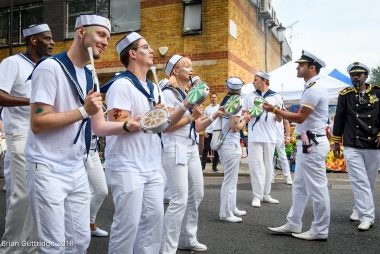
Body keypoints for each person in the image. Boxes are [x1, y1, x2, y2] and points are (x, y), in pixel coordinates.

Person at [25, 15, 113, 253]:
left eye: (108, 37)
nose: (106, 42)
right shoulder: (50, 68)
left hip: (77, 166)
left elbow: (98, 126)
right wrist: (84, 110)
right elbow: (38, 122)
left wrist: (129, 124)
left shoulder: (89, 75)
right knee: (53, 246)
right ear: (81, 32)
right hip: (47, 167)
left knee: (79, 241)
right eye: (101, 35)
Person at [100, 33, 191, 254]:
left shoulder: (154, 88)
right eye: (145, 47)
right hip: (127, 165)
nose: (151, 51)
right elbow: (120, 122)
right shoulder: (121, 85)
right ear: (132, 54)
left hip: (152, 164)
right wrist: (146, 119)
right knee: (127, 225)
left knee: (153, 222)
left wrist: (187, 103)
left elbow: (166, 125)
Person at [160, 54, 224, 253]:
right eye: (186, 66)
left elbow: (196, 126)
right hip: (174, 147)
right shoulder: (168, 92)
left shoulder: (189, 92)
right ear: (175, 71)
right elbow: (166, 126)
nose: (191, 70)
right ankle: (167, 248)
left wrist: (214, 115)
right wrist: (190, 116)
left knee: (197, 193)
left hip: (190, 147)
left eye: (191, 66)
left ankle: (188, 238)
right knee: (179, 199)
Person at [0, 23, 54, 253]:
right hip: (19, 135)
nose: (52, 43)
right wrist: (32, 101)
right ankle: (10, 249)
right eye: (47, 38)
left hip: (41, 136)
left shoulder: (46, 66)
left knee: (36, 196)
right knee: (21, 197)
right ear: (33, 40)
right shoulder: (12, 63)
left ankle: (30, 249)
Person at [265, 50, 330, 241]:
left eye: (301, 65)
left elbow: (301, 116)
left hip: (313, 142)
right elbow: (303, 118)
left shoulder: (314, 89)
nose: (297, 67)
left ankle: (320, 230)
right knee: (300, 186)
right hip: (308, 141)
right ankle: (294, 222)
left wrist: (275, 110)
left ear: (312, 68)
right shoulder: (310, 87)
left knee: (317, 188)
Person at [331, 62, 380, 231]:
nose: (355, 77)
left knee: (369, 181)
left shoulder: (377, 92)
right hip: (352, 143)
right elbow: (340, 117)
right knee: (359, 180)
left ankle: (358, 208)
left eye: (359, 74)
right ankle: (367, 216)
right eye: (353, 75)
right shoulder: (345, 95)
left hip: (373, 142)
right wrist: (336, 140)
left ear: (366, 76)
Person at [242, 71, 282, 208]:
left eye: (256, 79)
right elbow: (244, 114)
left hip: (270, 135)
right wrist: (249, 115)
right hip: (254, 135)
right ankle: (256, 196)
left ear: (264, 81)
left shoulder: (276, 96)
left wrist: (274, 111)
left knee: (269, 166)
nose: (253, 82)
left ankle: (266, 194)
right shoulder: (249, 96)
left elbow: (280, 118)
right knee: (256, 166)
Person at [218, 77, 248, 223]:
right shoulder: (236, 101)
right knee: (230, 180)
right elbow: (235, 127)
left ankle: (232, 207)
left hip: (225, 143)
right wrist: (246, 120)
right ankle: (225, 212)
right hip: (230, 144)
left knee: (232, 179)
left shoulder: (226, 99)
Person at [85, 134, 109, 237]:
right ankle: (84, 226)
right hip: (77, 152)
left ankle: (89, 224)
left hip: (93, 151)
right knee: (82, 195)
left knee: (102, 191)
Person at [201, 93, 220, 172]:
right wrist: (204, 131)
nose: (213, 99)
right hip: (208, 131)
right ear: (210, 98)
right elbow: (203, 120)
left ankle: (214, 167)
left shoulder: (219, 108)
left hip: (217, 131)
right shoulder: (207, 109)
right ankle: (202, 167)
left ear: (217, 98)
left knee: (216, 150)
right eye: (212, 97)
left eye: (215, 97)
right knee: (206, 149)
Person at [273, 111, 293, 185]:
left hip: (279, 136)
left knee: (283, 157)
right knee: (269, 157)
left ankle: (288, 177)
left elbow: (286, 123)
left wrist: (288, 136)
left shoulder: (280, 106)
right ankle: (271, 177)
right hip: (269, 136)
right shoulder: (266, 105)